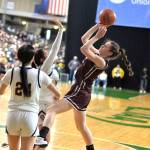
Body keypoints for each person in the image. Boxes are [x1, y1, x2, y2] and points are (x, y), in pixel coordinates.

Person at [36, 24, 134, 150]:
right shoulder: (98, 53)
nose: (102, 46)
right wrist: (98, 25)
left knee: (51, 110)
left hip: (80, 91)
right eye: (103, 44)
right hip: (82, 92)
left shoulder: (102, 62)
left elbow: (84, 49)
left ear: (109, 53)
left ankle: (41, 136)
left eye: (105, 46)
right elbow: (84, 39)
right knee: (81, 127)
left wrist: (97, 37)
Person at [0, 44, 60, 150]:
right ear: (32, 58)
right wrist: (54, 97)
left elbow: (1, 92)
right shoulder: (39, 74)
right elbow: (58, 94)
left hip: (12, 116)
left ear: (18, 57)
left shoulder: (11, 72)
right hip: (30, 117)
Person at [32, 20, 63, 150]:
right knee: (44, 140)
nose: (49, 54)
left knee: (43, 141)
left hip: (49, 104)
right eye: (46, 54)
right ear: (42, 59)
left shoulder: (48, 69)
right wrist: (60, 30)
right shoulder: (44, 68)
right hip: (43, 105)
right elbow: (55, 50)